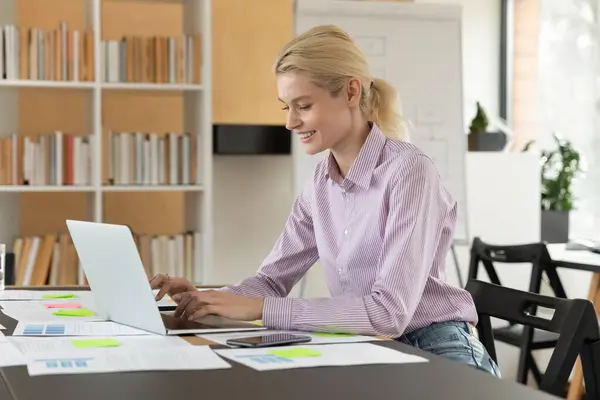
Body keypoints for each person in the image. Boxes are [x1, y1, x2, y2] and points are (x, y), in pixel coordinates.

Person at [150, 24, 500, 377]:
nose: (290, 121)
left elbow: (388, 314)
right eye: (286, 107)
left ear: (350, 91)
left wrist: (260, 308)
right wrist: (206, 298)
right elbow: (271, 281)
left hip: (437, 348)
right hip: (368, 348)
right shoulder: (320, 182)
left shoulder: (409, 172)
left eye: (303, 105)